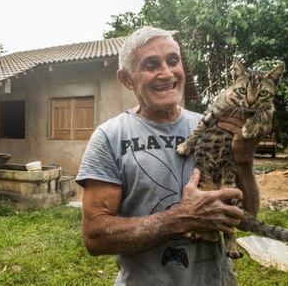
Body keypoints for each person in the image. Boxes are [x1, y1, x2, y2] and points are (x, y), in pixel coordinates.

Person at [76, 26, 259, 285]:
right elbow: (95, 237)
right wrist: (181, 218)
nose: (167, 72)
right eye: (151, 65)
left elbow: (247, 218)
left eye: (173, 61)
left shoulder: (214, 128)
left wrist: (244, 162)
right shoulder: (110, 137)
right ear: (126, 78)